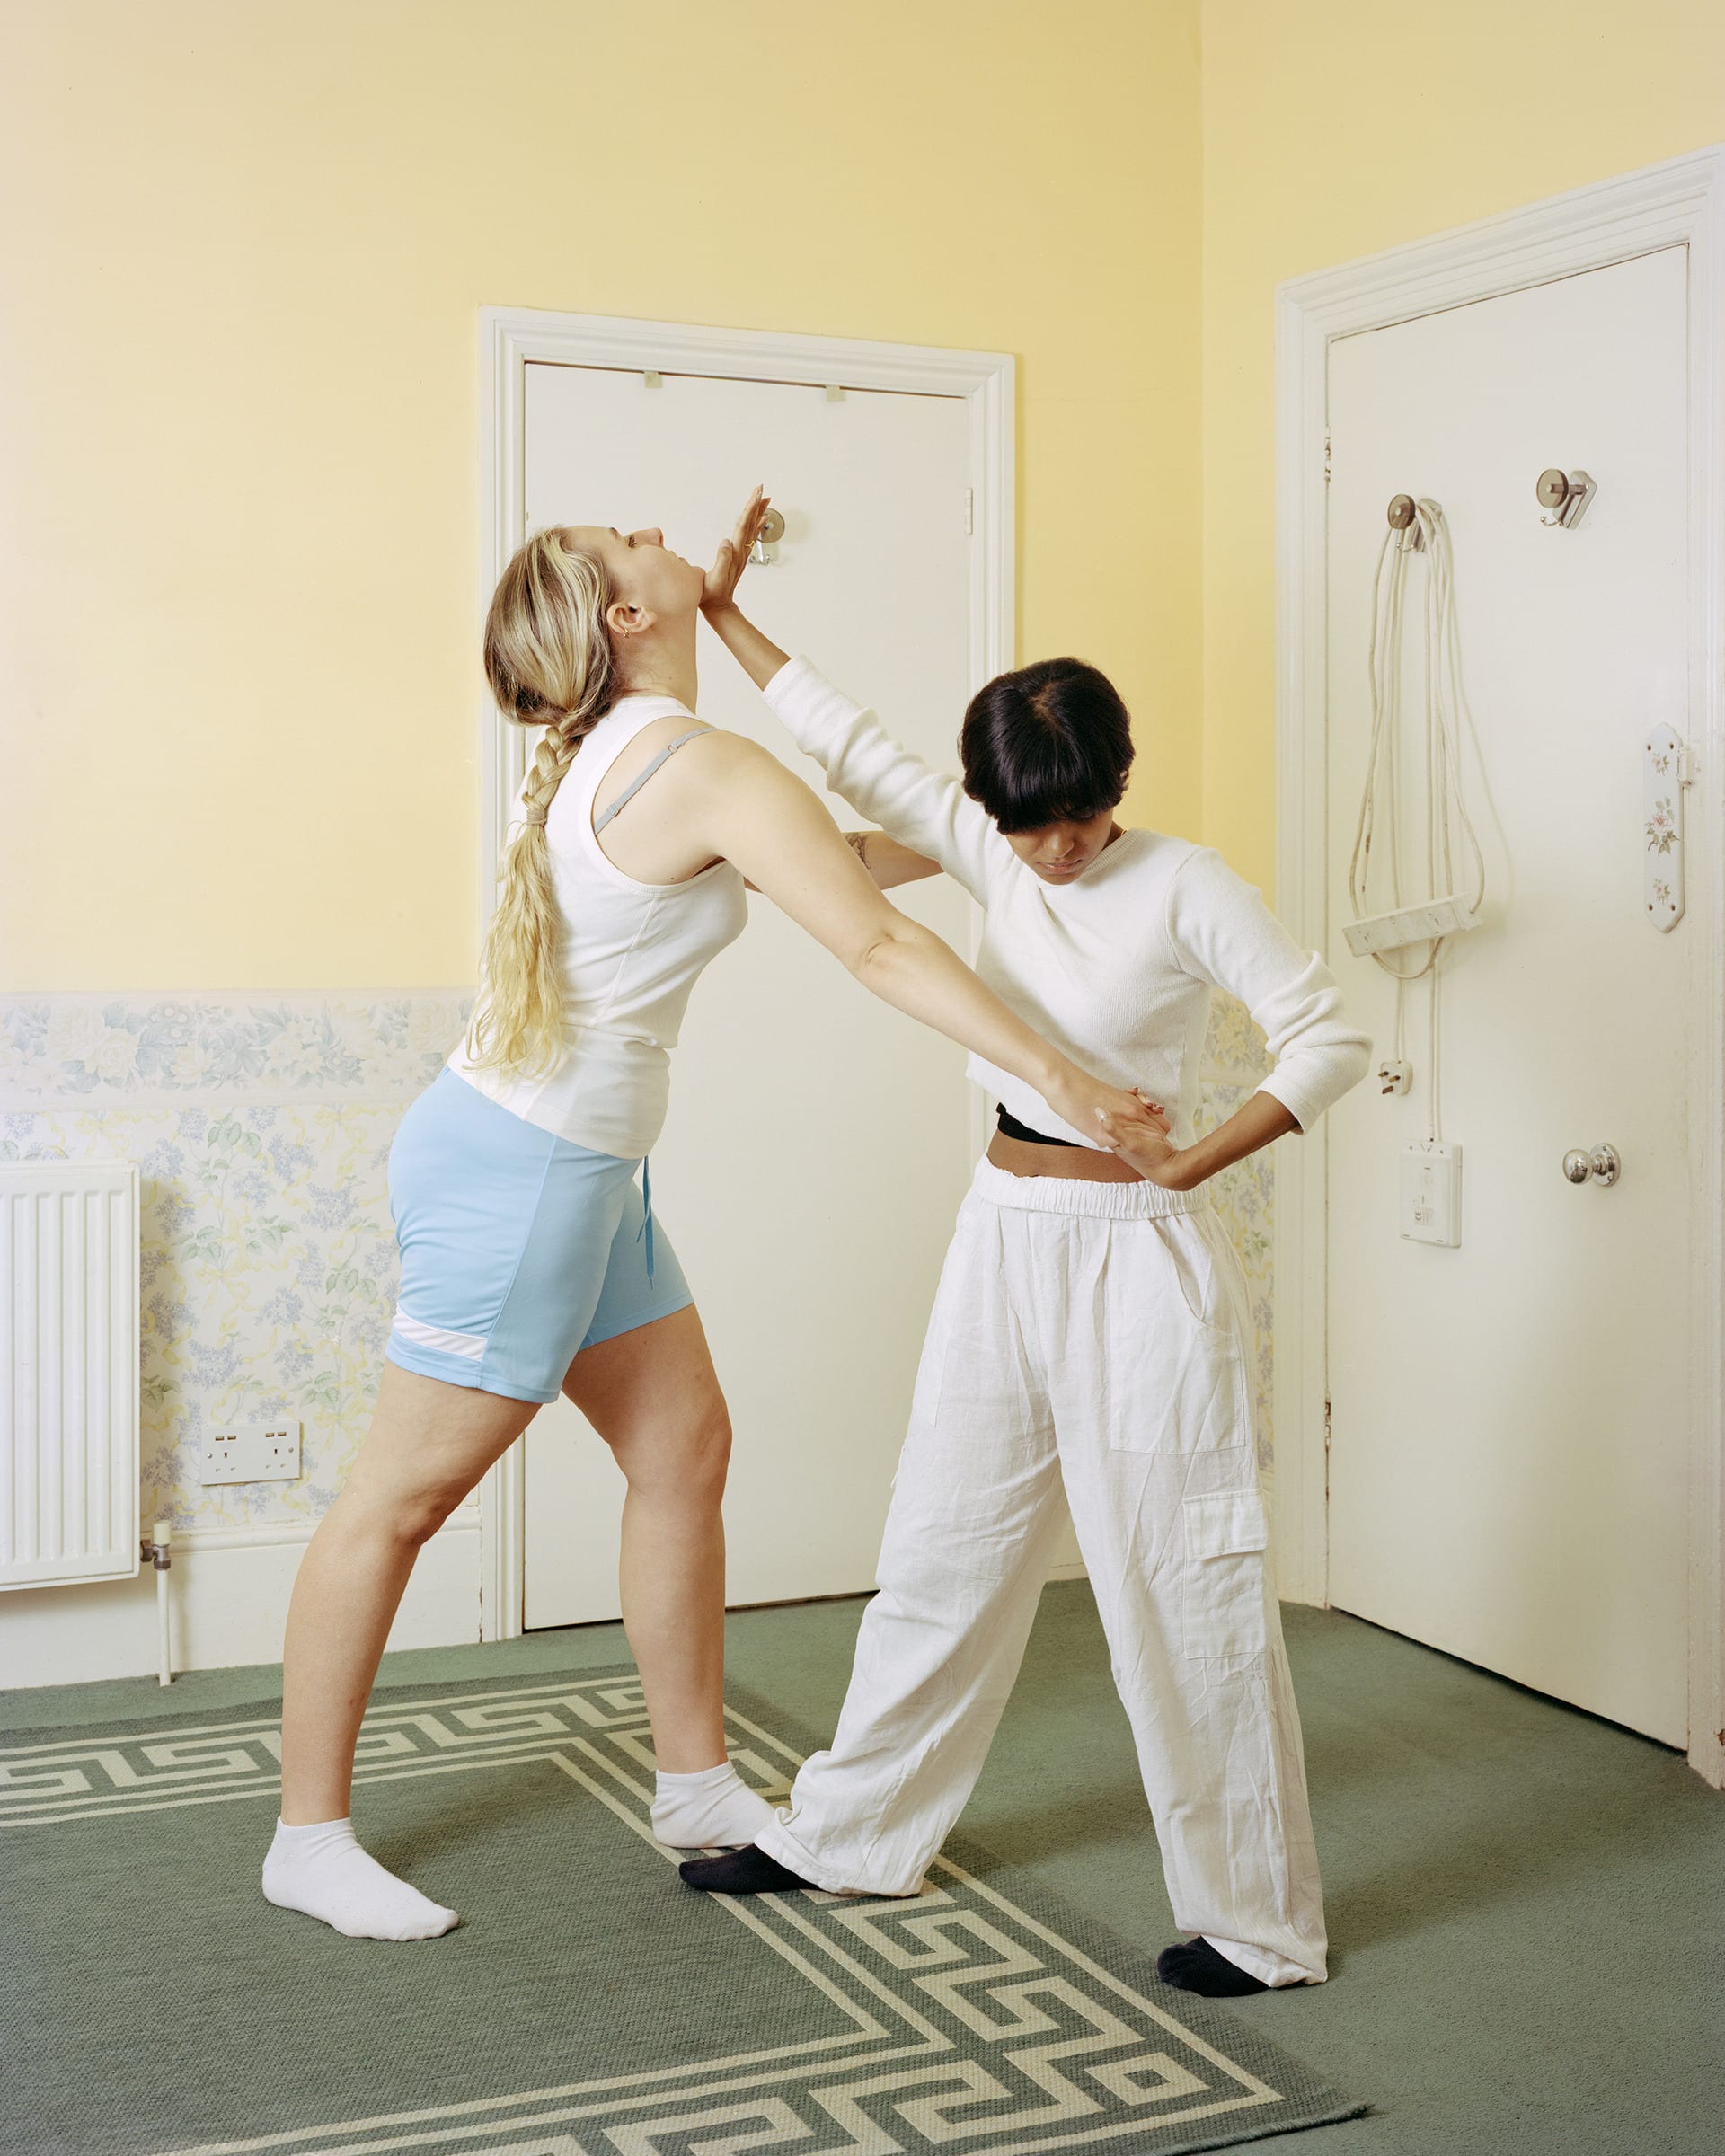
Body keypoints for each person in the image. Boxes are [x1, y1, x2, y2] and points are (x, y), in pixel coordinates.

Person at [261, 490, 1163, 1942]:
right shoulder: (691, 760)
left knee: (684, 1448)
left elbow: (830, 861)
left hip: (572, 1168)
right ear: (629, 618)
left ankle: (693, 1784)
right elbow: (868, 939)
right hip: (526, 1177)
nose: (643, 523)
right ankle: (306, 1837)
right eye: (628, 543)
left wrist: (979, 819)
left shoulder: (632, 750)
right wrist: (1061, 1074)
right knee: (401, 1498)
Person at [679, 579, 1371, 1998]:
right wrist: (728, 613)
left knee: (1184, 1587)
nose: (1053, 849)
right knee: (945, 1542)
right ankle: (853, 1833)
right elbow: (851, 748)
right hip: (1000, 1233)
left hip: (1137, 1262)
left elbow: (1327, 1039)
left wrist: (1198, 1168)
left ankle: (1258, 1926)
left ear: (1115, 785)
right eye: (1025, 821)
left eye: (1074, 816)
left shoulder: (1185, 882)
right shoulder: (989, 853)